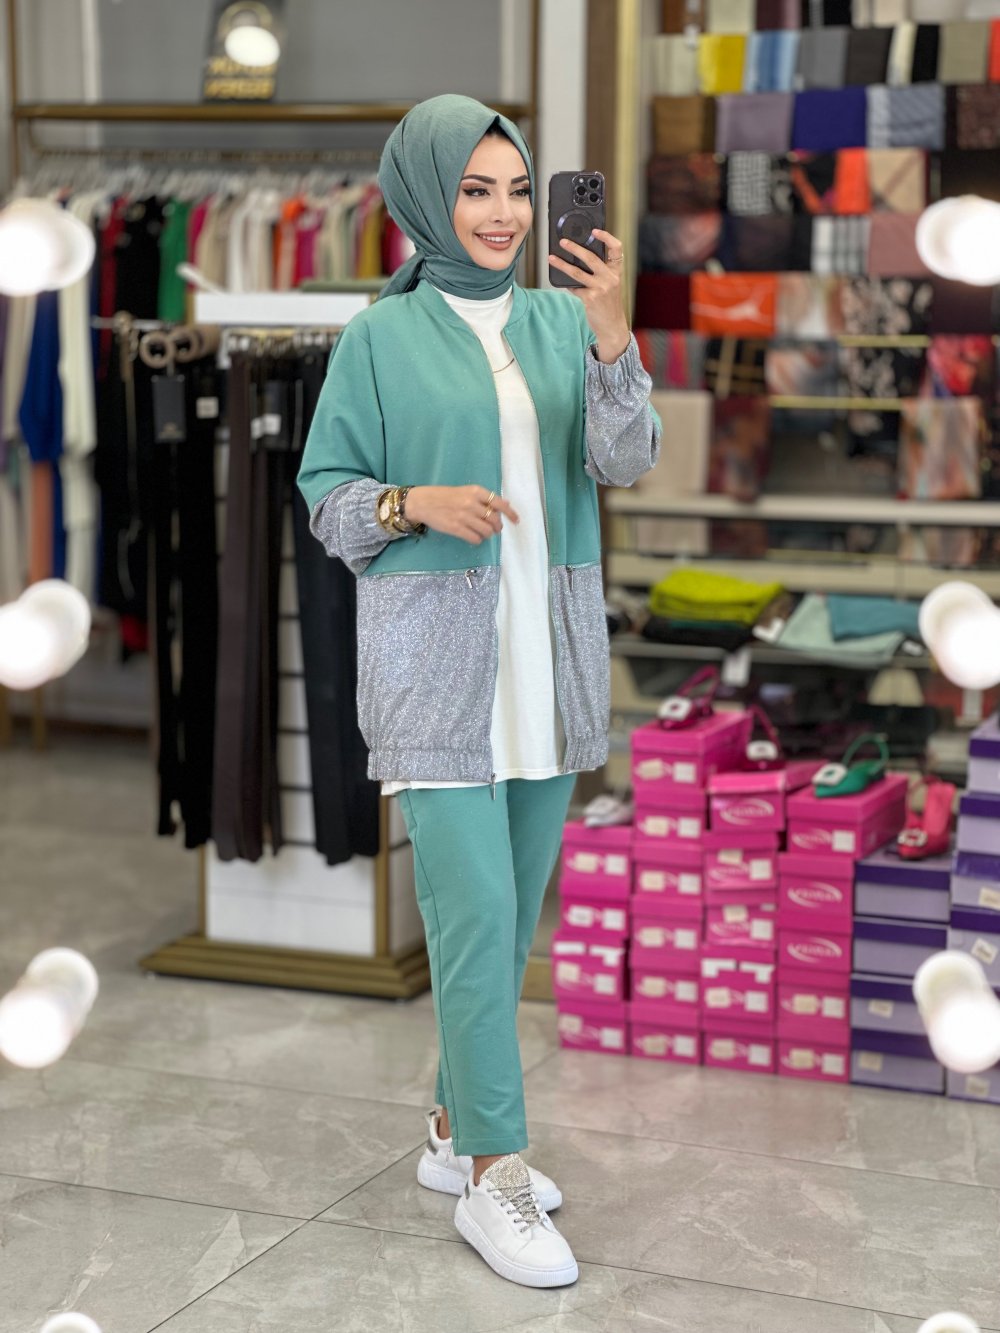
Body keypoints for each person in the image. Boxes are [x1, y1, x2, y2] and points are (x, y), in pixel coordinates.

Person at [297, 93, 660, 1289]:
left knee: (505, 923)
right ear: (424, 196)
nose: (503, 215)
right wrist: (414, 504)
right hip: (434, 672)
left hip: (546, 668)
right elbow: (327, 497)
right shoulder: (378, 338)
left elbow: (624, 460)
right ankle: (496, 1171)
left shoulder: (561, 319)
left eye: (515, 190)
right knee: (471, 918)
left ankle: (454, 1126)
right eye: (474, 191)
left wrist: (611, 334)